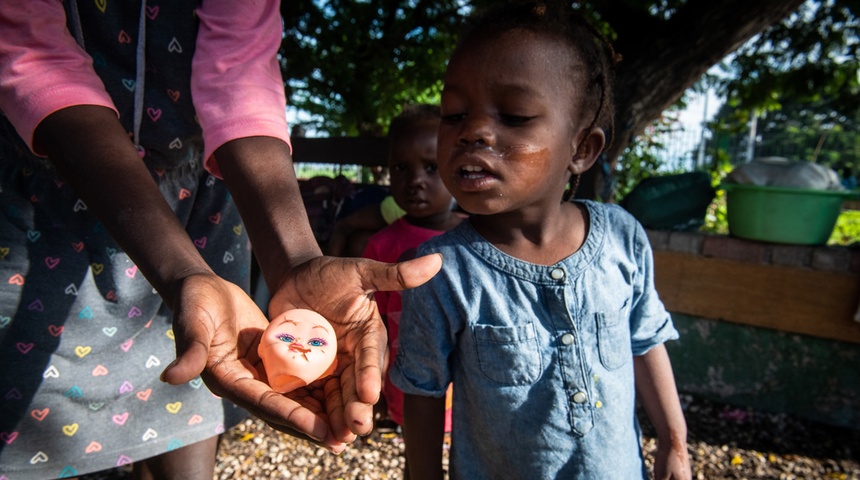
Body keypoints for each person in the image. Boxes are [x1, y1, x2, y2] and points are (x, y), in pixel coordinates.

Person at [0, 2, 440, 479]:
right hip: (41, 204)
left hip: (204, 201)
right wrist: (184, 271)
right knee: (30, 413)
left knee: (192, 391)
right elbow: (32, 55)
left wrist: (295, 259)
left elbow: (240, 71)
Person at [389, 2, 692, 479]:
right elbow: (423, 394)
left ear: (582, 149)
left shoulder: (621, 237)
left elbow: (646, 342)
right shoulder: (438, 271)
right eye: (454, 114)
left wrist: (674, 443)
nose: (474, 131)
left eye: (513, 115)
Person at [360, 104, 461, 455]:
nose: (415, 179)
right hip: (407, 382)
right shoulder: (382, 245)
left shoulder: (478, 239)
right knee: (419, 456)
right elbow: (373, 324)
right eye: (401, 168)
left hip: (467, 384)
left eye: (431, 167)